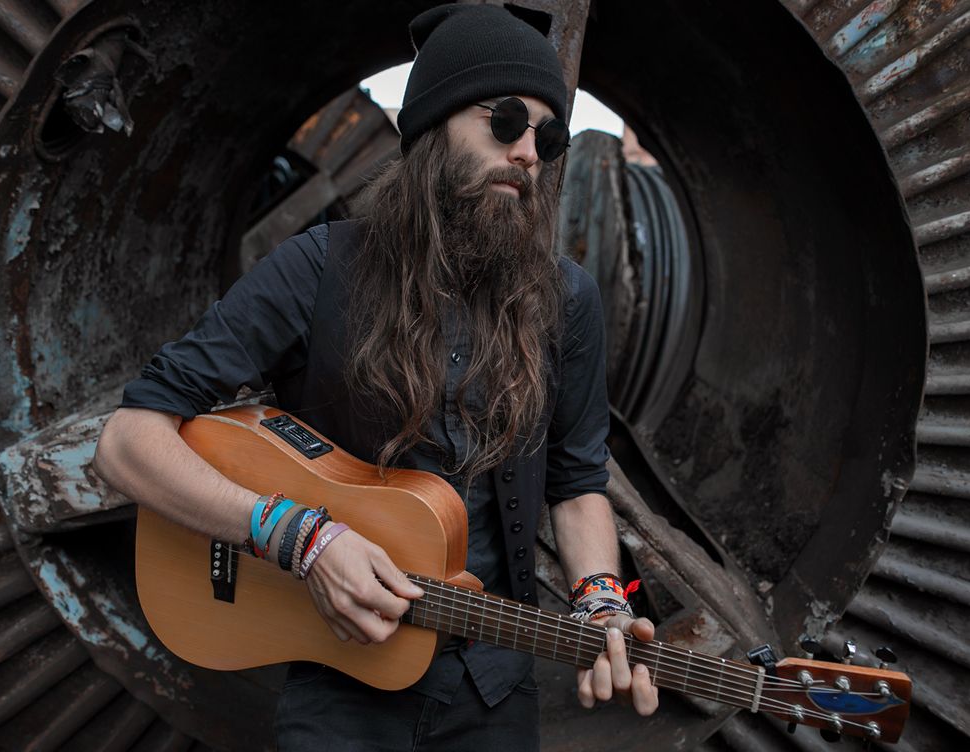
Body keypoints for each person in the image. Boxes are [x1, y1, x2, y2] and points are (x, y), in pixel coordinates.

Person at [94, 4, 658, 749]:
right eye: (506, 121)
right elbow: (128, 441)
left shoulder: (567, 300)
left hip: (495, 691)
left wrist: (601, 602)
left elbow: (577, 481)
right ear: (432, 127)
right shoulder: (317, 269)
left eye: (547, 138)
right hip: (340, 686)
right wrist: (298, 537)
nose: (528, 152)